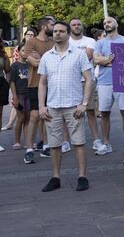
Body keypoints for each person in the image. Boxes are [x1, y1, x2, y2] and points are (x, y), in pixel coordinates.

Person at [38, 21, 94, 192]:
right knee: (54, 144)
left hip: (73, 106)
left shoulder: (79, 54)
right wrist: (41, 106)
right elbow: (42, 83)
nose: (57, 34)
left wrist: (84, 104)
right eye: (55, 31)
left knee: (78, 142)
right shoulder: (47, 56)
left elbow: (89, 79)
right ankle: (55, 177)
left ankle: (82, 176)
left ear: (68, 34)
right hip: (53, 106)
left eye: (61, 31)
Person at [93, 17, 124, 158]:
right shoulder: (100, 42)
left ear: (116, 24)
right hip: (104, 82)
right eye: (104, 23)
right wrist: (109, 60)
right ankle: (106, 143)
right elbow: (95, 59)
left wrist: (106, 61)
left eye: (109, 22)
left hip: (122, 81)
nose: (106, 24)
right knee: (104, 113)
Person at [22, 16, 54, 163]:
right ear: (44, 26)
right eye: (52, 24)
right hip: (35, 83)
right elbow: (34, 63)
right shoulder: (31, 42)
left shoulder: (54, 42)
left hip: (53, 84)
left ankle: (47, 145)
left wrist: (40, 58)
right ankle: (29, 149)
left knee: (48, 116)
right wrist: (46, 59)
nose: (55, 27)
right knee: (34, 116)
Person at [68, 18, 101, 152]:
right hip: (71, 81)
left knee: (91, 111)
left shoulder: (90, 41)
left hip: (88, 80)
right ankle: (67, 141)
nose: (76, 26)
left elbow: (86, 57)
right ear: (70, 28)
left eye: (78, 24)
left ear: (82, 26)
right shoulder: (66, 41)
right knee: (69, 112)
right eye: (74, 25)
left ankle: (96, 140)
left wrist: (72, 55)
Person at [8, 40, 30, 149]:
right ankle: (17, 141)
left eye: (27, 50)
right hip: (20, 95)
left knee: (28, 118)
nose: (25, 52)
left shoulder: (31, 64)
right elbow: (12, 82)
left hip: (30, 94)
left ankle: (28, 141)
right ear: (19, 51)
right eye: (23, 50)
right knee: (21, 117)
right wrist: (14, 96)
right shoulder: (15, 65)